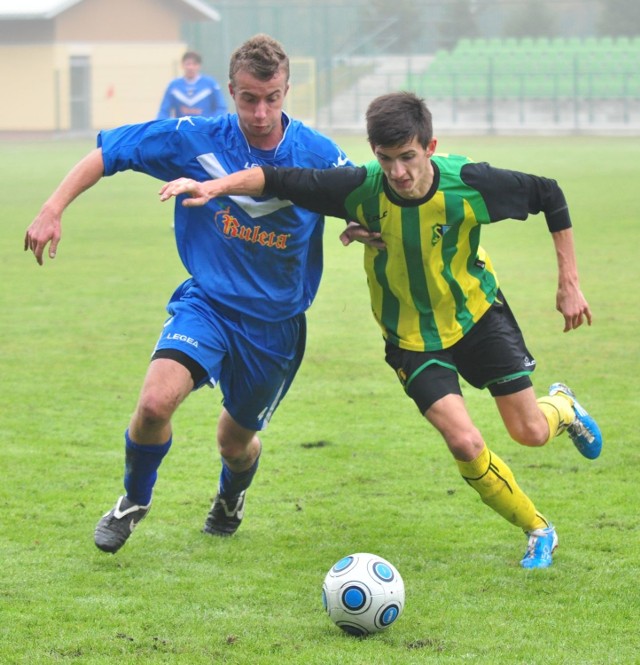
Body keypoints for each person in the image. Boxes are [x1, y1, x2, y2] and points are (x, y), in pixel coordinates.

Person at [158, 91, 603, 570]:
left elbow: (550, 194)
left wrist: (569, 284)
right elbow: (275, 178)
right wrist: (216, 187)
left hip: (478, 319)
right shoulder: (359, 188)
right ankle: (538, 529)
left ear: (430, 147)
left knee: (531, 432)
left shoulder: (470, 183)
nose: (398, 173)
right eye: (385, 159)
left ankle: (563, 406)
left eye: (408, 157)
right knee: (465, 442)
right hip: (411, 341)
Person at [24, 34, 352, 554]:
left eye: (272, 98)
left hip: (275, 325)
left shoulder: (318, 153)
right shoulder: (194, 138)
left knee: (234, 442)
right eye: (248, 98)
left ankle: (229, 499)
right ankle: (133, 500)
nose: (261, 112)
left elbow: (362, 198)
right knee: (155, 403)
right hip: (209, 304)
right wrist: (52, 207)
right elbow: (107, 153)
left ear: (287, 91)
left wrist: (366, 226)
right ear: (230, 91)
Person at [157, 50, 227, 120]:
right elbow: (164, 111)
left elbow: (221, 107)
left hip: (205, 128)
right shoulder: (174, 86)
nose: (191, 67)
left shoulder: (210, 84)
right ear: (182, 65)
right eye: (188, 64)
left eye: (194, 64)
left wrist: (212, 123)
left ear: (199, 66)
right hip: (182, 128)